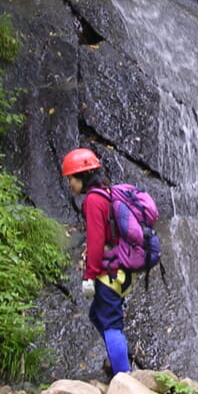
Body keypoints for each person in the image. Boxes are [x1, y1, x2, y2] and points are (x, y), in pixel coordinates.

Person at [61, 147, 132, 377]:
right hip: (119, 268)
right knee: (97, 315)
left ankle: (124, 378)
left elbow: (95, 241)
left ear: (82, 176)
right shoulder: (107, 193)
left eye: (71, 178)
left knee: (111, 323)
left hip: (108, 272)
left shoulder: (93, 200)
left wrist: (89, 275)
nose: (69, 184)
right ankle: (116, 361)